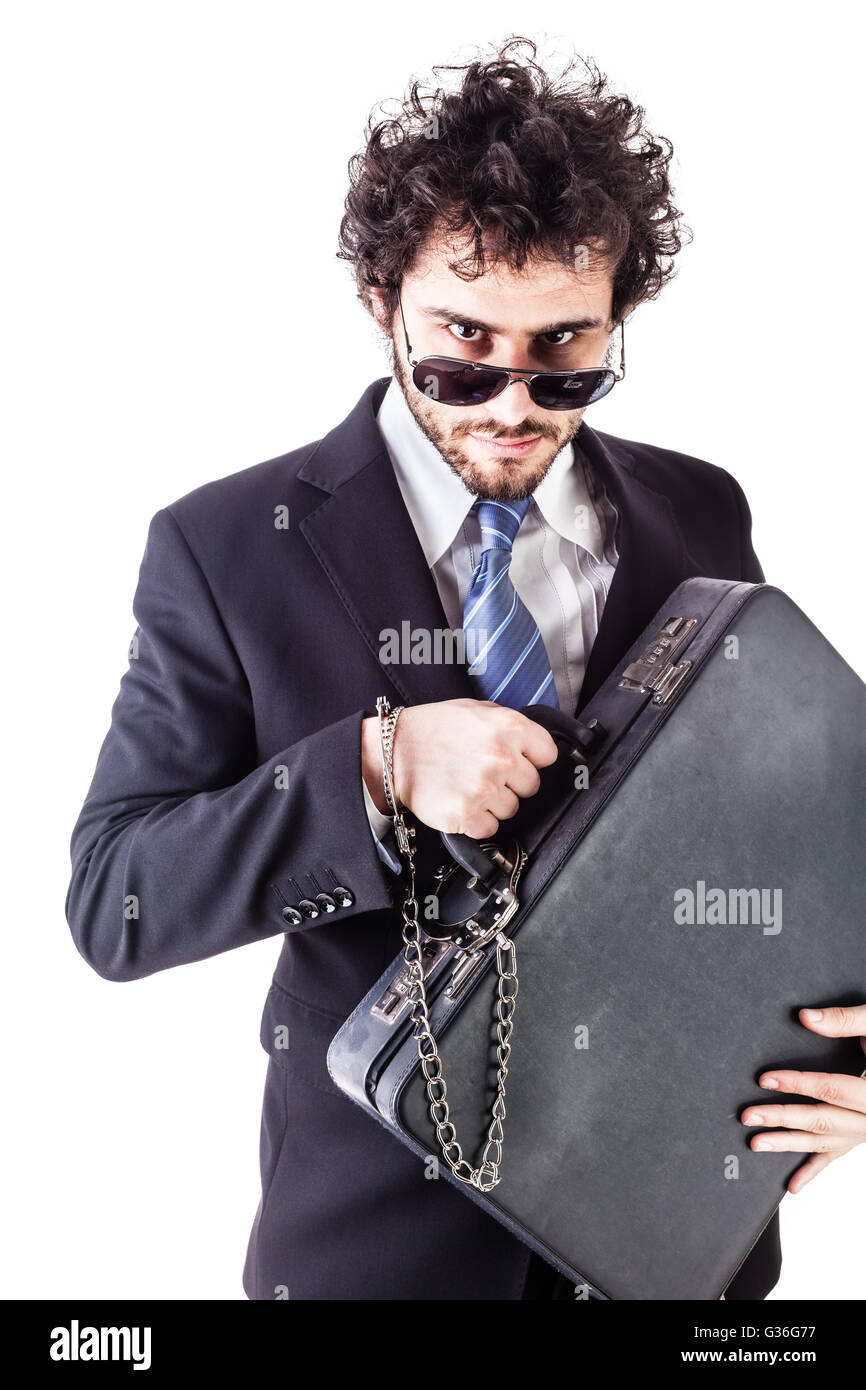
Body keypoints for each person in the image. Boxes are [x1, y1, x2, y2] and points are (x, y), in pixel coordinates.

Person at [66, 36, 783, 1299]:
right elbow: (116, 899)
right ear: (378, 298)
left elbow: (773, 837)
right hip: (375, 1256)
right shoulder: (226, 547)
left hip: (676, 1247)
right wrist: (373, 767)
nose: (511, 402)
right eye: (461, 347)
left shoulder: (700, 514)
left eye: (565, 353)